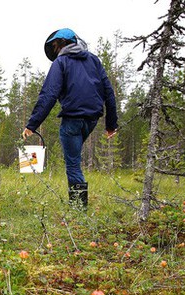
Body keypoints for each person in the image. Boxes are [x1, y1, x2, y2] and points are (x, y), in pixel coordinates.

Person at [22, 28, 118, 209]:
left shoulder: (61, 62)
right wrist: (111, 124)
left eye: (55, 45)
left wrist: (32, 124)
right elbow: (109, 93)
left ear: (60, 44)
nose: (55, 49)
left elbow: (49, 94)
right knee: (75, 159)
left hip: (72, 120)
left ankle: (78, 210)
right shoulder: (93, 60)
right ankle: (78, 208)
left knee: (73, 165)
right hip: (91, 120)